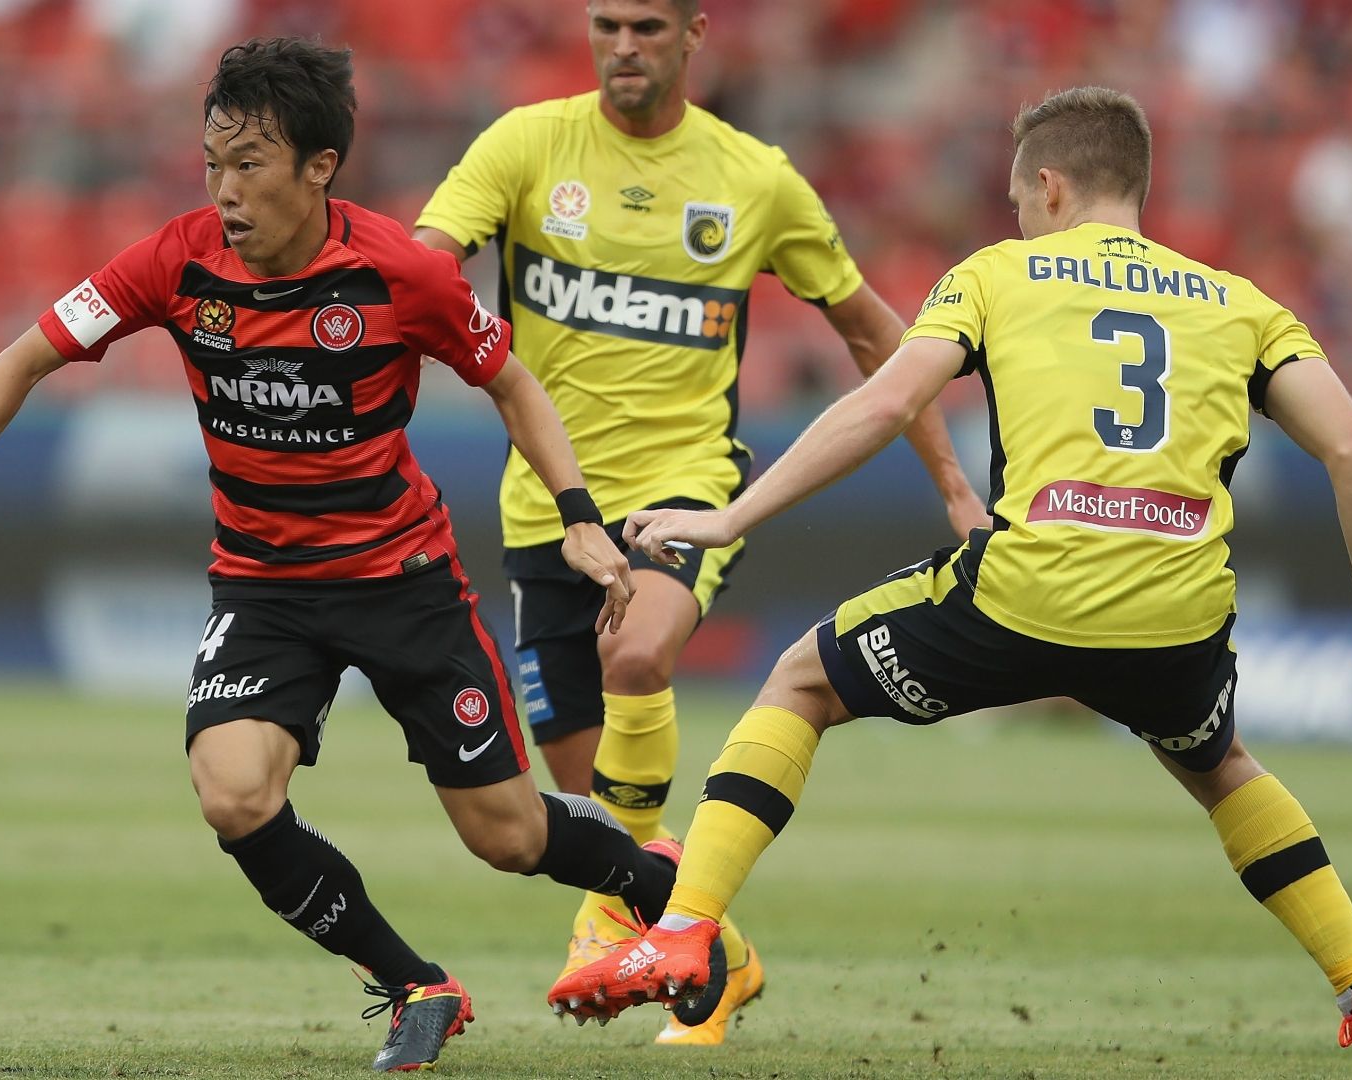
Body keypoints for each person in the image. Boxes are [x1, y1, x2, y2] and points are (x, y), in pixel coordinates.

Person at [548, 86, 1352, 1080]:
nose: (1017, 212)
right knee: (1222, 766)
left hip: (1028, 586)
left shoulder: (998, 274)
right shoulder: (1240, 302)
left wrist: (732, 516)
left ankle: (684, 929)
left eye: (1020, 195)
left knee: (800, 680)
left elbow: (886, 403)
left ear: (1050, 186)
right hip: (1175, 612)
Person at [0, 37, 698, 1074]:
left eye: (250, 165)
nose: (225, 190)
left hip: (405, 583)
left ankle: (676, 899)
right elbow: (27, 352)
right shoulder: (176, 259)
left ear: (319, 167)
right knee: (234, 792)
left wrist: (579, 513)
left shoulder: (400, 272)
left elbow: (511, 380)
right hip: (266, 586)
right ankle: (417, 983)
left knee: (508, 840)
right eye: (213, 164)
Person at [413, 0, 987, 1044]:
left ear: (694, 35)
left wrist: (951, 479)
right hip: (546, 510)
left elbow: (872, 333)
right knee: (589, 806)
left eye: (646, 27)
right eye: (606, 25)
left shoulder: (753, 178)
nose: (623, 46)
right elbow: (421, 264)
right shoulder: (525, 144)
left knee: (640, 657)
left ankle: (602, 931)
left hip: (682, 493)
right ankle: (717, 954)